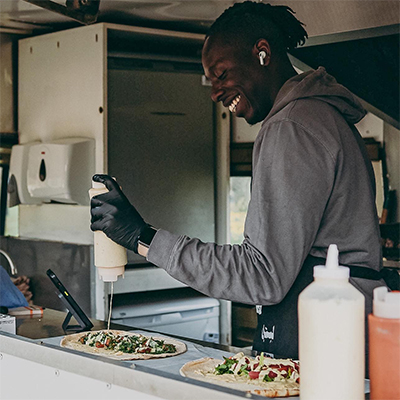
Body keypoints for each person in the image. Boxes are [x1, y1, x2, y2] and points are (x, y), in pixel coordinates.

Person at [90, 2, 387, 362]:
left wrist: (142, 237)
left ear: (262, 53)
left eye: (221, 74)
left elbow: (263, 274)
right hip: (347, 335)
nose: (215, 92)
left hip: (327, 342)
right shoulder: (323, 117)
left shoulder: (292, 127)